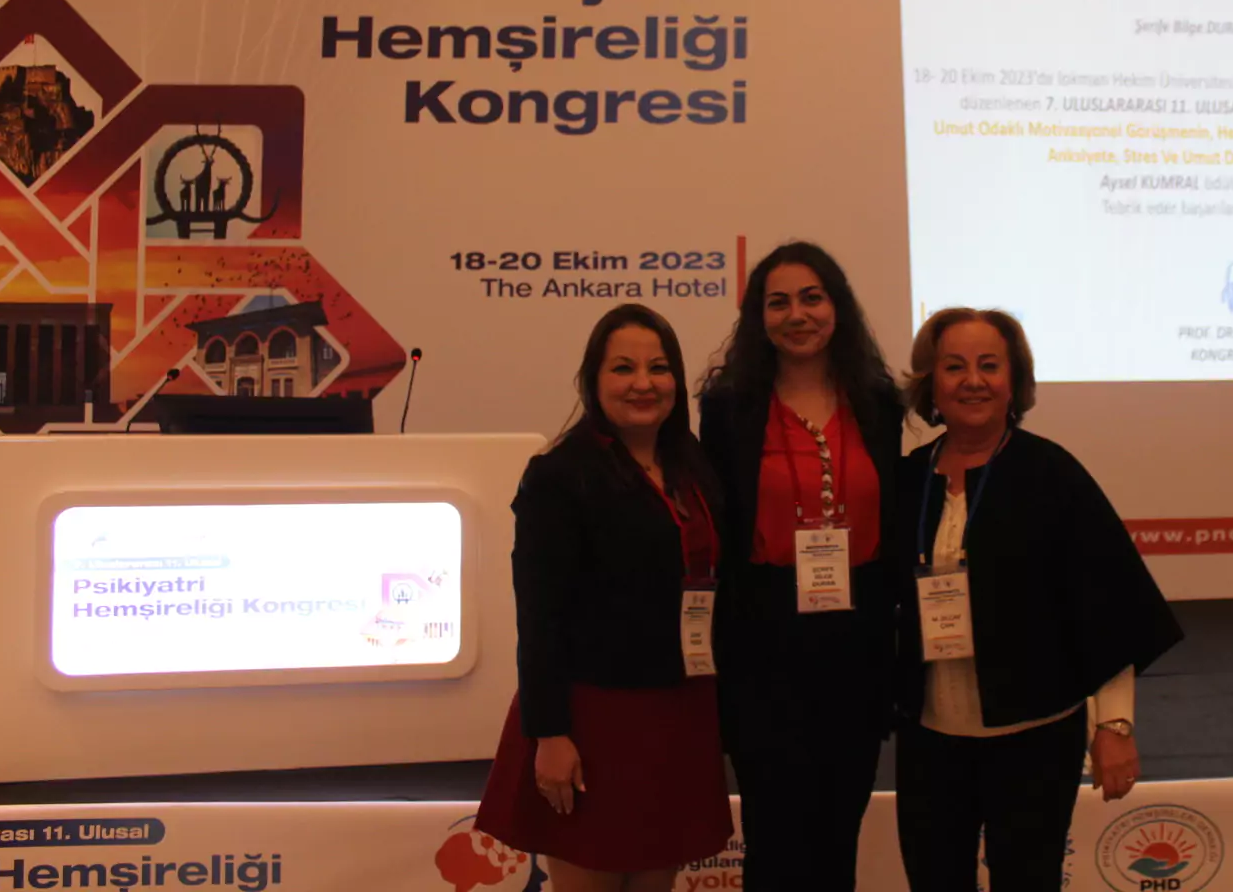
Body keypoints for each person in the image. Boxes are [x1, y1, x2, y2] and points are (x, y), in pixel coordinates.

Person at [894, 308, 1184, 892]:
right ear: (931, 383)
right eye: (954, 366)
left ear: (1014, 381)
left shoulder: (1052, 475)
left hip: (1034, 738)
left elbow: (1108, 607)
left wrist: (1115, 726)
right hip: (929, 738)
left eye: (989, 365)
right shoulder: (906, 479)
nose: (972, 381)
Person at [477, 304, 730, 892]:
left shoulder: (692, 466)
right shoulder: (560, 476)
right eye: (623, 368)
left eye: (659, 368)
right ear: (593, 380)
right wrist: (550, 733)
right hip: (591, 718)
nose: (643, 383)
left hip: (678, 708)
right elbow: (539, 617)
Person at [697, 242, 906, 892]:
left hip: (857, 644)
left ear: (837, 306)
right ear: (758, 317)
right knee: (776, 834)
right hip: (764, 647)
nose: (797, 315)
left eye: (812, 298)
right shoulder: (730, 407)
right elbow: (720, 527)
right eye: (778, 302)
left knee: (838, 831)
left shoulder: (878, 402)